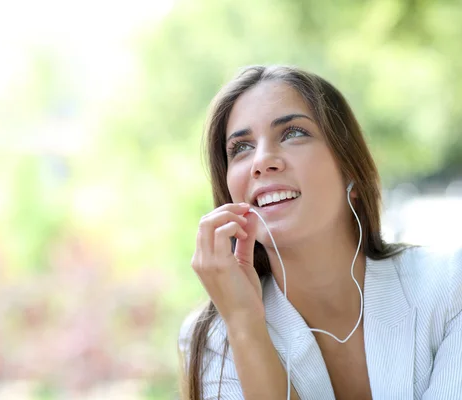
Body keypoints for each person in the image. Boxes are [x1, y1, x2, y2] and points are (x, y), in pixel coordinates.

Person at [178, 65, 462, 400]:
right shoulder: (213, 340)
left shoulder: (450, 286)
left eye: (293, 133)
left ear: (350, 170)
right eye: (240, 148)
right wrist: (245, 326)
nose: (261, 160)